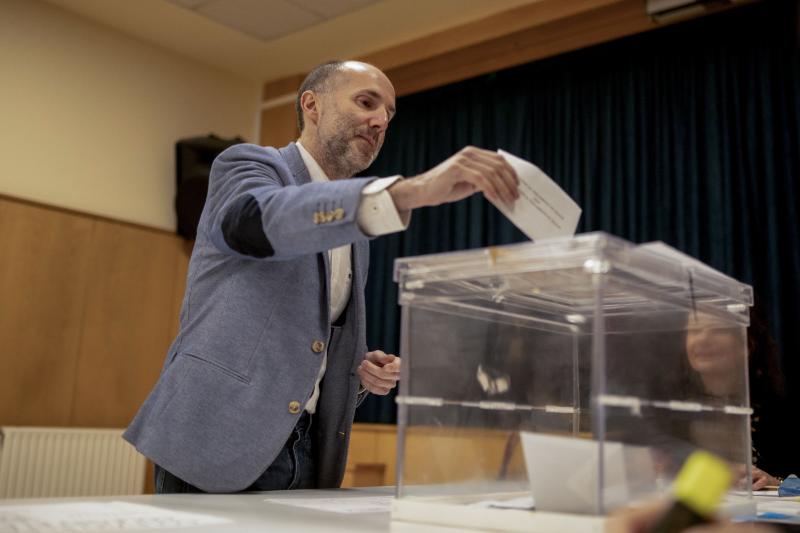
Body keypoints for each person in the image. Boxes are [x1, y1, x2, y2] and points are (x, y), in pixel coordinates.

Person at [123, 60, 520, 493]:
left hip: (308, 453)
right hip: (216, 438)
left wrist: (362, 372)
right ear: (311, 105)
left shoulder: (357, 232)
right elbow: (259, 220)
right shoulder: (247, 166)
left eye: (388, 114)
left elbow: (311, 341)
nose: (380, 120)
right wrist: (411, 190)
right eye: (366, 102)